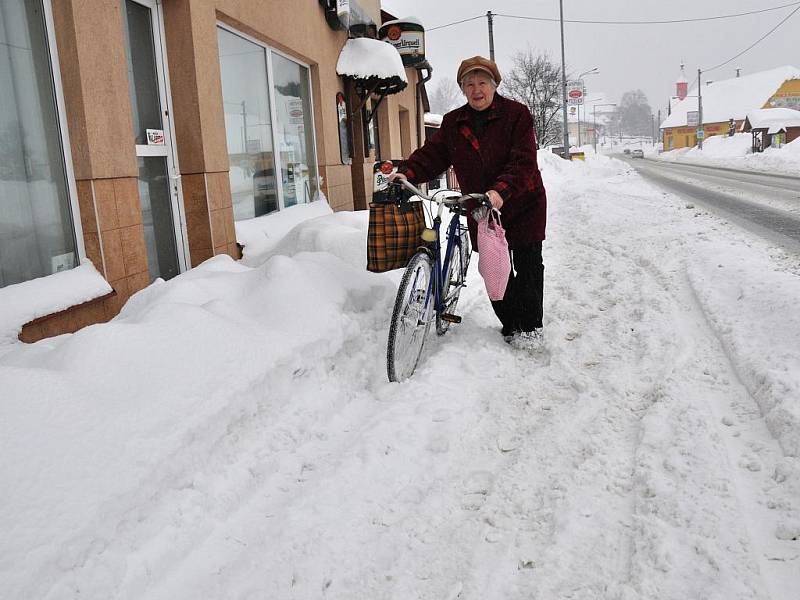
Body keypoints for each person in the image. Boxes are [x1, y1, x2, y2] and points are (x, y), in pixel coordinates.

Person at [390, 55, 548, 351]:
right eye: (470, 84)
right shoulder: (454, 123)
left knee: (527, 264)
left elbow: (523, 162)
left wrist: (500, 191)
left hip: (523, 201)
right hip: (481, 208)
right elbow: (432, 155)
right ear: (463, 89)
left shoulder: (517, 115)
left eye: (483, 83)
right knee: (493, 267)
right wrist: (408, 173)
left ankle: (530, 326)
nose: (477, 89)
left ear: (494, 85)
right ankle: (512, 323)